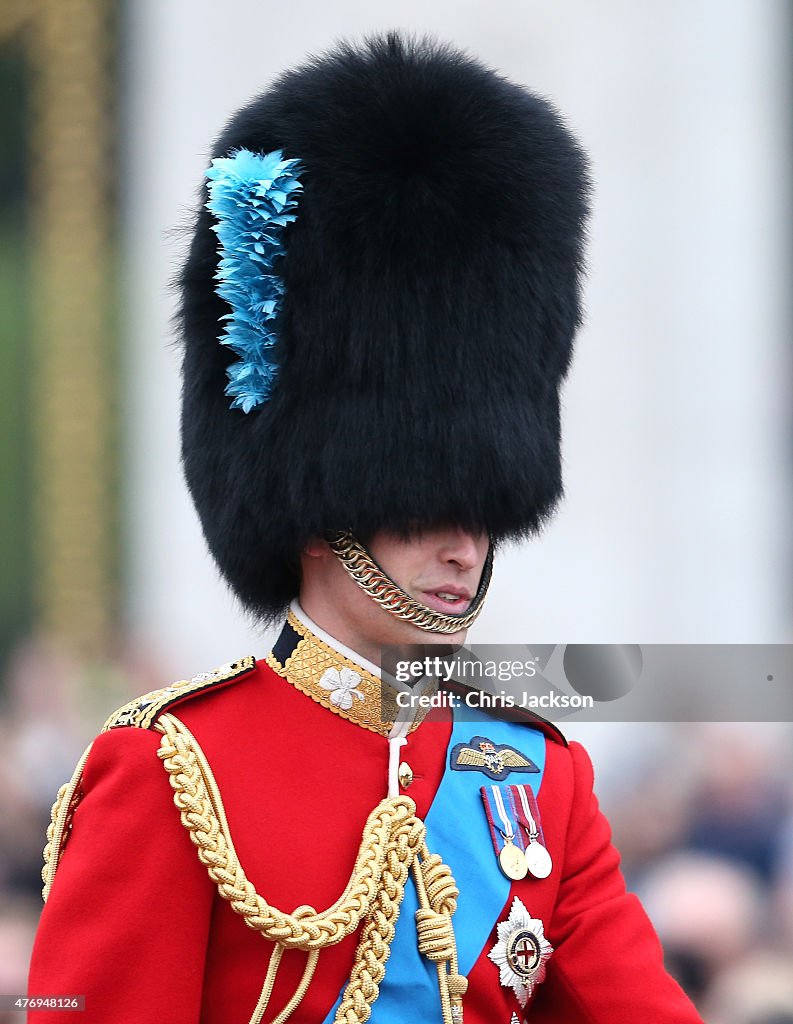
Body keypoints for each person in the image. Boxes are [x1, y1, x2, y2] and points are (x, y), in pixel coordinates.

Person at [27, 32, 704, 1024]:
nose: (464, 546)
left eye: (480, 512)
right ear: (320, 513)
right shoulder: (173, 767)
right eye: (425, 510)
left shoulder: (535, 777)